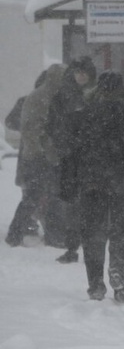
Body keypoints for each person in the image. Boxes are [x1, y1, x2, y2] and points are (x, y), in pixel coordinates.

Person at [66, 71, 124, 302]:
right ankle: (117, 271)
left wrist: (71, 181)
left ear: (99, 89)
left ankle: (95, 284)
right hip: (122, 184)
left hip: (92, 184)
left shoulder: (83, 117)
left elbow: (71, 153)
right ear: (121, 91)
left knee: (92, 233)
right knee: (121, 232)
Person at [46, 56, 97, 262]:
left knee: (89, 204)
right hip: (72, 158)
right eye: (78, 71)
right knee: (73, 204)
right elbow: (52, 125)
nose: (81, 75)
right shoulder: (63, 97)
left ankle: (90, 244)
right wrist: (63, 146)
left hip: (90, 159)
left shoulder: (97, 96)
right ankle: (73, 245)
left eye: (84, 72)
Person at [4, 68, 55, 246]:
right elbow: (11, 121)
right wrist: (29, 128)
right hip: (32, 154)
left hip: (37, 154)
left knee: (35, 192)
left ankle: (30, 224)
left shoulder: (52, 102)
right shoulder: (28, 101)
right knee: (32, 191)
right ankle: (27, 225)